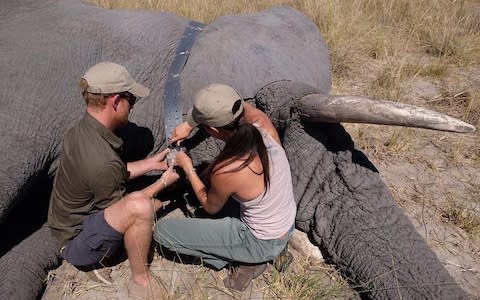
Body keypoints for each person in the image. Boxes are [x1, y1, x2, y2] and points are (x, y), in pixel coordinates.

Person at [48, 62, 177, 299]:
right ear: (116, 101)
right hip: (77, 243)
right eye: (131, 101)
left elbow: (110, 172)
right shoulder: (101, 161)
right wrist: (164, 182)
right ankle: (141, 281)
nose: (131, 108)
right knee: (144, 208)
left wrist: (150, 164)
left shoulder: (81, 130)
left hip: (65, 223)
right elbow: (126, 205)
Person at [154, 83, 296, 291]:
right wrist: (189, 124)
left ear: (212, 130)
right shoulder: (262, 124)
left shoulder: (229, 169)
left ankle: (247, 261)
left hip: (259, 241)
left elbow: (210, 206)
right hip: (285, 225)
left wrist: (188, 168)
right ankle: (265, 252)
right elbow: (233, 101)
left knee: (162, 232)